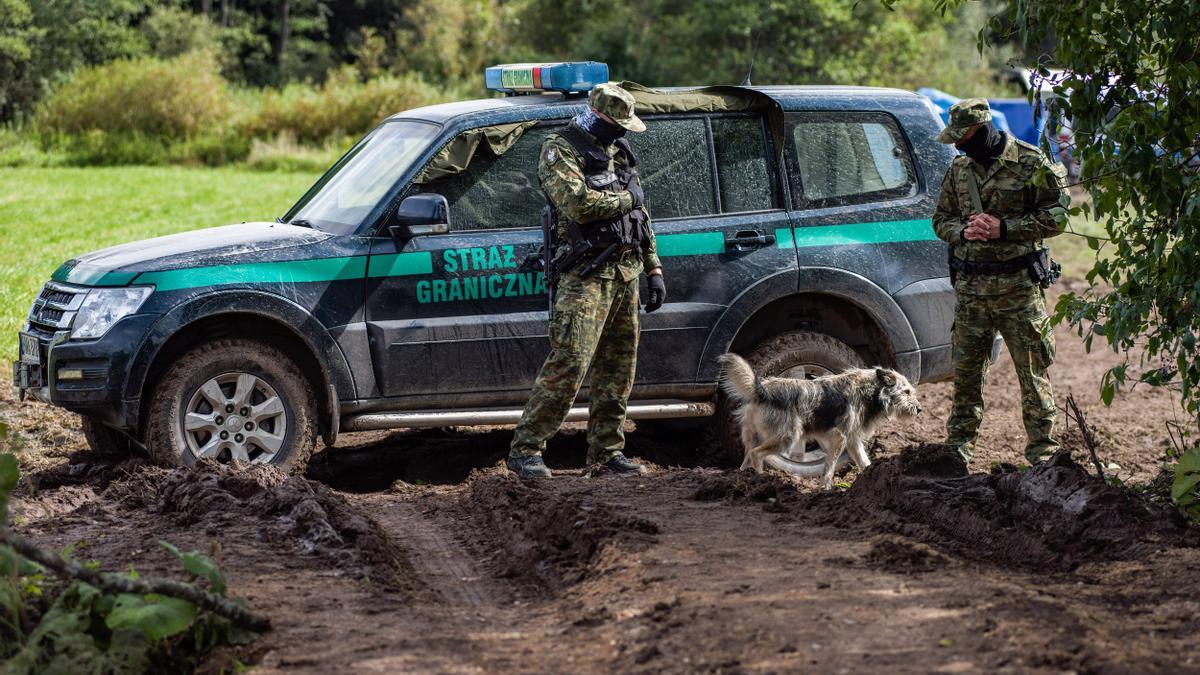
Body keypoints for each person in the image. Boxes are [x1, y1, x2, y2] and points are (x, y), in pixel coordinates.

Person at [506, 83, 666, 479]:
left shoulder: (619, 151)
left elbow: (640, 221)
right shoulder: (560, 149)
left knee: (619, 367)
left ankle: (606, 454)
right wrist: (629, 199)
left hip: (625, 272)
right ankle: (526, 450)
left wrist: (654, 267)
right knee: (570, 361)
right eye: (619, 124)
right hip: (585, 276)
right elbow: (578, 205)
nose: (624, 132)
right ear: (599, 118)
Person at [932, 98, 1069, 465]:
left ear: (983, 128)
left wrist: (1005, 228)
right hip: (971, 291)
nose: (959, 146)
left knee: (1033, 374)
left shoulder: (1030, 162)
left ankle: (1043, 454)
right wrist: (964, 232)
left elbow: (1057, 217)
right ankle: (958, 452)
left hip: (1018, 289)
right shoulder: (960, 169)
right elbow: (940, 219)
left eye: (964, 137)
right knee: (966, 377)